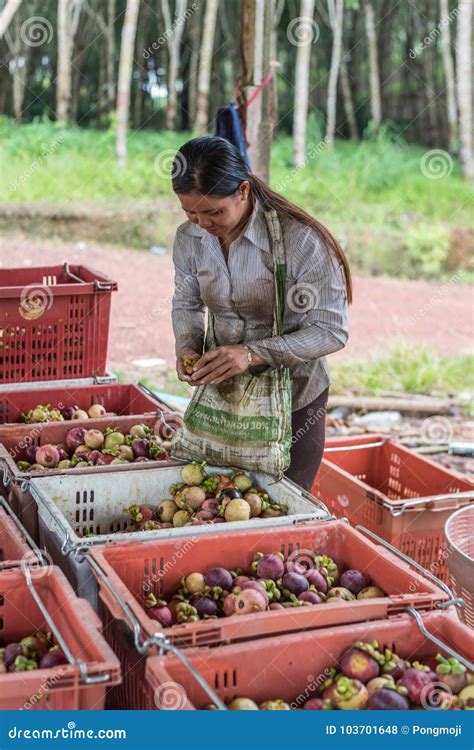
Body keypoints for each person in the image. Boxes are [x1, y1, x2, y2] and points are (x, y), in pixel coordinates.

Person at [171, 136, 351, 490]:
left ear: (243, 191)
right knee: (218, 498)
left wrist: (253, 354)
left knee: (282, 503)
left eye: (213, 212)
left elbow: (331, 330)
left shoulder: (300, 241)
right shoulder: (190, 238)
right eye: (190, 212)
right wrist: (188, 345)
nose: (202, 223)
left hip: (294, 397)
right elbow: (187, 302)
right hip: (222, 397)